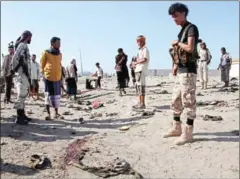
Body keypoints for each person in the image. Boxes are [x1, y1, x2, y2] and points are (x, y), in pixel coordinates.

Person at [164, 3, 200, 145]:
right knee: (175, 100)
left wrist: (178, 43)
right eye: (172, 17)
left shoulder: (191, 28)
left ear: (184, 13)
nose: (174, 19)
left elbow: (190, 48)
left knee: (188, 101)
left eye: (176, 16)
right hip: (181, 71)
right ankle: (176, 128)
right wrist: (174, 66)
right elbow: (179, 53)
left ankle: (188, 133)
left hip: (189, 71)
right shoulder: (182, 30)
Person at [11, 30, 33, 125]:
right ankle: (19, 117)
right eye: (30, 37)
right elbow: (15, 57)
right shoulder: (22, 45)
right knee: (21, 94)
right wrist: (16, 68)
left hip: (24, 73)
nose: (31, 39)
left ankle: (22, 114)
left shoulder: (24, 45)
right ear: (27, 37)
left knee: (24, 94)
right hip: (22, 73)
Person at [40, 37, 62, 120]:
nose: (60, 45)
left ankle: (56, 113)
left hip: (58, 78)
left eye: (60, 43)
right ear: (52, 44)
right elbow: (42, 64)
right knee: (48, 95)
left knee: (57, 96)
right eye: (58, 43)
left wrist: (61, 77)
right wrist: (43, 75)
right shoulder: (46, 52)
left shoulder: (60, 54)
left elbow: (59, 65)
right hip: (48, 77)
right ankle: (48, 114)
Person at [132, 35, 150, 109]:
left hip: (141, 70)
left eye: (141, 41)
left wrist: (136, 62)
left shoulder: (145, 49)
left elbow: (145, 59)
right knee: (138, 87)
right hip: (138, 69)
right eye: (138, 41)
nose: (139, 42)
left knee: (141, 86)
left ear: (144, 41)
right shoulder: (140, 50)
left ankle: (142, 103)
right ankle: (140, 102)